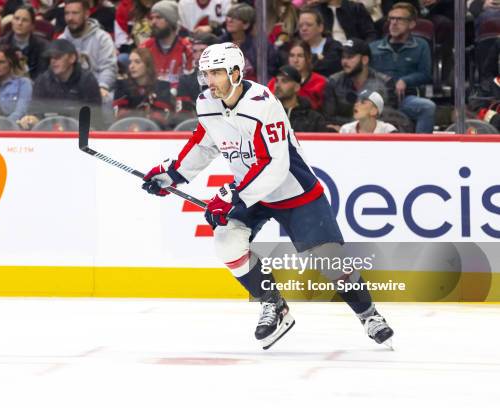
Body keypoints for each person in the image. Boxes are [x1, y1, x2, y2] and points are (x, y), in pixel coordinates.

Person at [141, 42, 394, 350]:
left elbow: (274, 165)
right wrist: (172, 173)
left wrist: (233, 195)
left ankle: (368, 315)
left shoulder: (262, 102)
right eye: (206, 73)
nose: (210, 81)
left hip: (292, 189)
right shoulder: (207, 102)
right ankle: (274, 305)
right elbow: (205, 142)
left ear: (236, 72)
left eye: (217, 73)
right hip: (251, 193)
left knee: (330, 260)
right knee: (226, 242)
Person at [369, 2, 436, 133]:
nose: (394, 23)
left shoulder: (421, 45)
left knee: (428, 107)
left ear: (412, 24)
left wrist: (406, 80)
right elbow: (367, 74)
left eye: (400, 19)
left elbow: (425, 74)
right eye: (391, 19)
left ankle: (423, 148)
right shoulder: (374, 47)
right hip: (378, 98)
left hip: (405, 98)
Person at [20, 39, 103, 129]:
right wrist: (32, 118)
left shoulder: (87, 80)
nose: (53, 61)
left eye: (58, 57)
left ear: (72, 58)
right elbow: (35, 110)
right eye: (51, 58)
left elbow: (94, 115)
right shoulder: (42, 80)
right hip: (49, 132)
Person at [323, 38, 396, 130]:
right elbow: (329, 117)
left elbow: (388, 118)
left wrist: (348, 127)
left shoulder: (385, 83)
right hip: (343, 136)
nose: (344, 62)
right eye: (343, 57)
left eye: (350, 57)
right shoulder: (334, 81)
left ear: (365, 60)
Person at [59, 0, 117, 97]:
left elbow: (109, 67)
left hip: (97, 92)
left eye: (75, 13)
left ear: (86, 14)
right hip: (68, 94)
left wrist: (102, 87)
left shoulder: (102, 38)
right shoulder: (61, 40)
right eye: (67, 13)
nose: (70, 18)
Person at [113, 48, 174, 128]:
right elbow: (119, 114)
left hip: (156, 134)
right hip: (127, 132)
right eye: (130, 62)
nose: (131, 66)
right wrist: (145, 113)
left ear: (148, 65)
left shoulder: (162, 86)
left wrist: (135, 114)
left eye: (137, 62)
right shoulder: (122, 85)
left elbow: (163, 117)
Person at [140, 0, 194, 89]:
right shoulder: (144, 48)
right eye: (152, 18)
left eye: (158, 17)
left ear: (170, 21)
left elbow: (191, 82)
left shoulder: (187, 48)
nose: (153, 22)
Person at [219, 3, 280, 81]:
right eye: (229, 16)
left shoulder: (261, 46)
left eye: (235, 18)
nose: (229, 20)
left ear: (246, 24)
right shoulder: (219, 43)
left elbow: (269, 74)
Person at [268, 40, 328, 111]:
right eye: (292, 56)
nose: (295, 60)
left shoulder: (320, 82)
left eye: (300, 56)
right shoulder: (275, 82)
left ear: (309, 58)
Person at [0, 4, 49, 80]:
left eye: (25, 20)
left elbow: (42, 75)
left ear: (32, 25)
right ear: (12, 21)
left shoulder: (43, 46)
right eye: (16, 19)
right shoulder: (0, 43)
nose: (19, 23)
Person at [175, 32, 219, 122]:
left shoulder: (229, 78)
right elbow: (183, 115)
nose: (199, 56)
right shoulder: (186, 81)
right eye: (195, 51)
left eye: (203, 51)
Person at [274, 65, 329, 132]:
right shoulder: (269, 115)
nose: (277, 85)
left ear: (297, 87)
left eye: (284, 81)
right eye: (276, 81)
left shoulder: (314, 119)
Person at [297, 7, 343, 77]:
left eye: (309, 25)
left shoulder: (335, 47)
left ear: (320, 27)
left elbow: (328, 69)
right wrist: (317, 59)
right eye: (300, 26)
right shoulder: (297, 49)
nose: (304, 29)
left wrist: (309, 62)